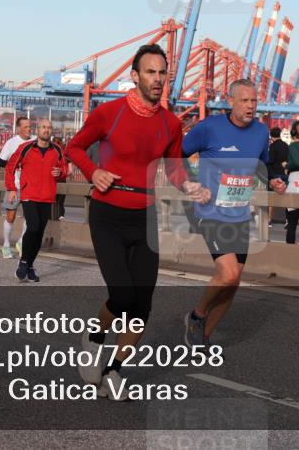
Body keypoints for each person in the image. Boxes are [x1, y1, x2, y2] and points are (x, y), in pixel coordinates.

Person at [67, 44, 208, 399]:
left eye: (163, 73)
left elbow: (175, 168)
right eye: (151, 72)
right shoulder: (109, 113)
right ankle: (94, 336)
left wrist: (190, 184)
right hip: (108, 215)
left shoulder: (171, 123)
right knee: (122, 294)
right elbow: (74, 148)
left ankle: (114, 370)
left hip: (144, 216)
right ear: (135, 76)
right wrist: (93, 171)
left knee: (142, 304)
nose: (158, 79)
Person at [181, 79, 286, 348]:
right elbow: (176, 154)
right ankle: (196, 315)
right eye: (245, 101)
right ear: (231, 102)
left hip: (239, 214)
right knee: (227, 274)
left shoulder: (261, 132)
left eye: (254, 101)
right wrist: (191, 181)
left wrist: (275, 178)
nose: (251, 106)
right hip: (210, 211)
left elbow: (266, 163)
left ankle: (202, 338)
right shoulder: (209, 128)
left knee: (234, 282)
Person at [6, 119, 68, 282]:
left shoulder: (57, 150)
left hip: (47, 196)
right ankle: (24, 262)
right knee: (33, 226)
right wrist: (12, 188)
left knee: (39, 232)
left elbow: (64, 169)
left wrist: (60, 173)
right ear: (38, 130)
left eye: (49, 128)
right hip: (29, 194)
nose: (46, 130)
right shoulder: (25, 148)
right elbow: (10, 167)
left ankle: (30, 266)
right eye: (43, 127)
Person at [0, 117, 33, 258]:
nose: (29, 129)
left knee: (31, 217)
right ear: (19, 129)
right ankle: (6, 245)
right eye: (25, 127)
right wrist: (16, 165)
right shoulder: (11, 143)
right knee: (11, 216)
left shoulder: (35, 141)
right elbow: (0, 162)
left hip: (30, 186)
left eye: (30, 126)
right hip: (15, 186)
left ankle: (22, 242)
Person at [267, 126, 289, 225]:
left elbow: (270, 160)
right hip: (284, 174)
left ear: (271, 136)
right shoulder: (286, 145)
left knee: (271, 198)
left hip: (274, 174)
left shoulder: (272, 146)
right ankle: (288, 221)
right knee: (286, 198)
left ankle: (269, 220)